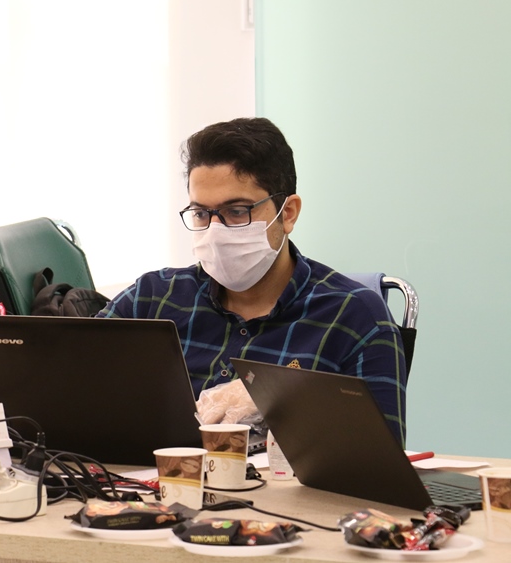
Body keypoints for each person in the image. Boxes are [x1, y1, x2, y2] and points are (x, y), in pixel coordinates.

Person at [97, 117, 407, 444]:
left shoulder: (355, 317)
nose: (215, 231)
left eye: (237, 211)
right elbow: (73, 382)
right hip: (152, 475)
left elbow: (381, 457)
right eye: (201, 214)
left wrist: (285, 400)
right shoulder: (151, 299)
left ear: (288, 213)